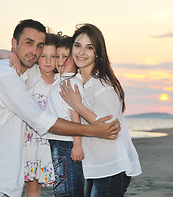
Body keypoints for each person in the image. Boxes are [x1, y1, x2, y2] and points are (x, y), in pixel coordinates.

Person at [0, 19, 121, 197]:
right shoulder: (6, 75)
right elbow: (41, 120)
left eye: (39, 45)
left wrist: (6, 54)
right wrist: (93, 130)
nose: (34, 50)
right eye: (29, 43)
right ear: (14, 43)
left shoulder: (21, 73)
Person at [60, 23, 142, 197]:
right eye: (77, 46)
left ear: (97, 52)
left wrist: (77, 105)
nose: (81, 52)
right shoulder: (76, 81)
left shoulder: (103, 85)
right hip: (92, 165)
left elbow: (109, 129)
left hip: (111, 165)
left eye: (89, 47)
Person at [0, 33, 59, 196]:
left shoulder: (60, 81)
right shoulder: (31, 74)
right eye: (43, 56)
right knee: (24, 183)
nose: (49, 61)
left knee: (44, 184)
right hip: (27, 140)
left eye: (54, 56)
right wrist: (10, 54)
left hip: (49, 141)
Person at [44, 35, 85, 197]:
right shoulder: (61, 80)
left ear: (75, 59)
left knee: (67, 187)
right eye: (57, 56)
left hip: (66, 143)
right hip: (59, 141)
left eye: (64, 57)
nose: (59, 61)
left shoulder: (72, 82)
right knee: (63, 185)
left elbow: (75, 114)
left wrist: (77, 144)